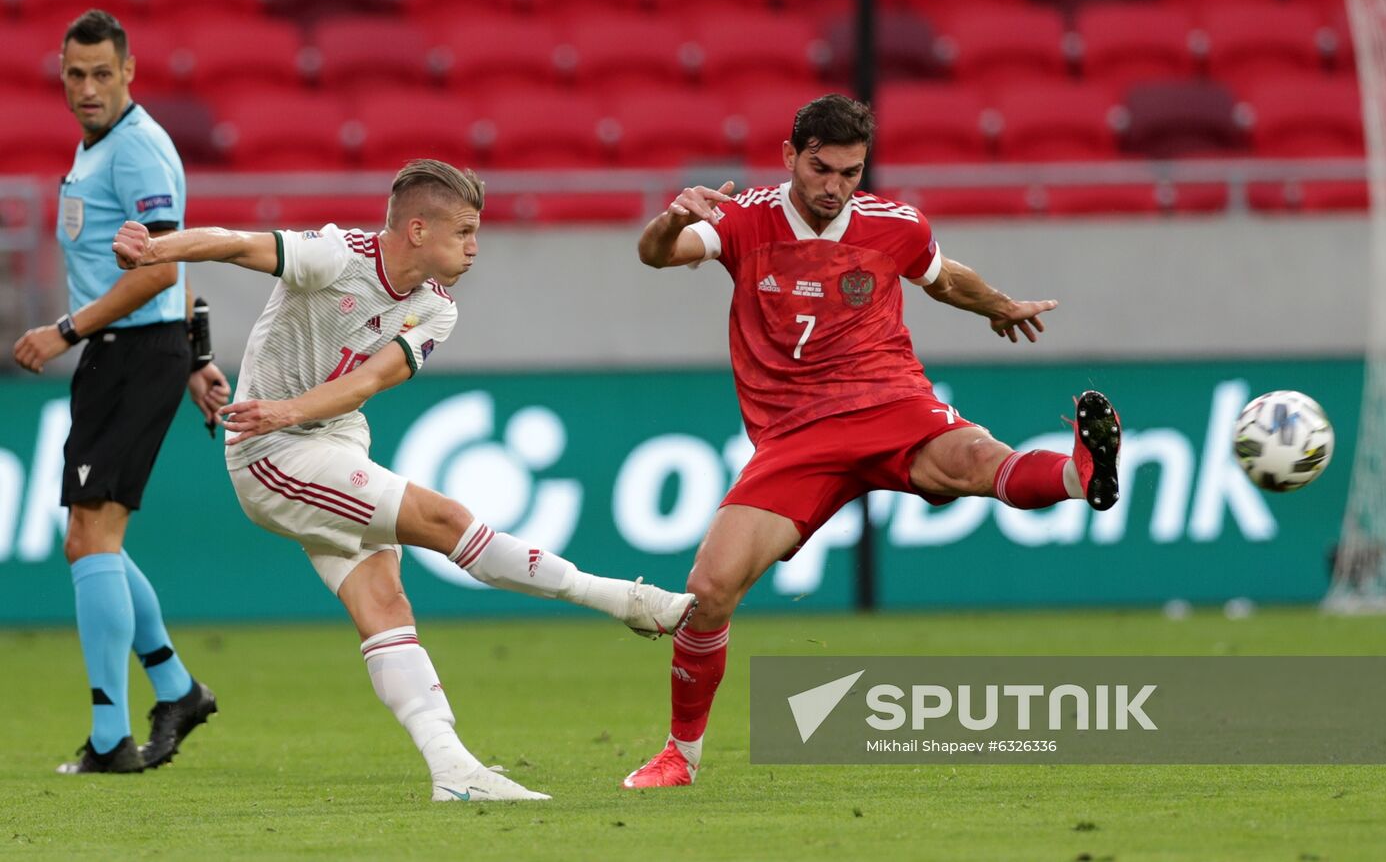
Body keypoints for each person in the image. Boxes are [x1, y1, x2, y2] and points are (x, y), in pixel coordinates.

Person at [112, 158, 697, 802]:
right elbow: (235, 243)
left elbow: (370, 382)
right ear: (418, 230)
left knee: (385, 605)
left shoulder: (435, 309)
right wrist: (154, 250)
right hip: (270, 453)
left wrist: (293, 407)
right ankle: (625, 601)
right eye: (465, 232)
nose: (476, 248)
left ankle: (452, 770)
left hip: (325, 436)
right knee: (446, 522)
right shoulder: (335, 256)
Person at [621, 93, 1122, 789]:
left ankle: (1080, 474)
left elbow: (943, 276)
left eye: (850, 173)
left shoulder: (896, 225)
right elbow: (659, 254)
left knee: (978, 461)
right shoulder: (742, 219)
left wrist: (1000, 306)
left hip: (890, 402)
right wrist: (673, 215)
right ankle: (682, 754)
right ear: (790, 156)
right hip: (795, 436)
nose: (834, 186)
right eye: (821, 168)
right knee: (708, 591)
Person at [11, 9, 228, 776]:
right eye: (75, 74)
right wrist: (198, 354)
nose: (89, 88)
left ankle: (111, 738)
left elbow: (162, 265)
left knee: (91, 539)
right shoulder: (102, 145)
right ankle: (176, 687)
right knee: (88, 539)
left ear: (129, 72)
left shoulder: (135, 149)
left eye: (103, 73)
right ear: (62, 73)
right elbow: (173, 252)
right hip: (135, 351)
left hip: (130, 351)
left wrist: (65, 330)